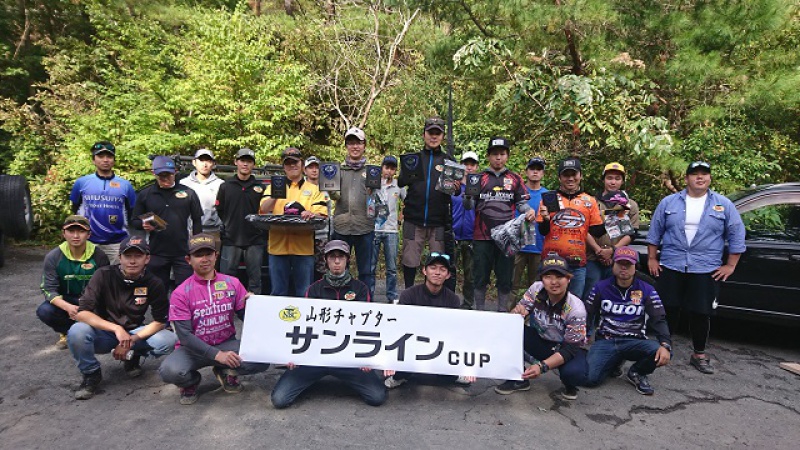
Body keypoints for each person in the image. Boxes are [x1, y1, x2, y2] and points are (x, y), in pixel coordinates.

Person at [646, 161, 746, 374]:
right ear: (686, 179)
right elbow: (655, 232)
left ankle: (698, 355)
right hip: (672, 264)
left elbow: (737, 235)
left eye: (704, 174)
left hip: (705, 268)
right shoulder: (669, 202)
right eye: (695, 174)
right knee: (667, 308)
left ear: (709, 178)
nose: (699, 178)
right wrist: (652, 259)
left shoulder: (723, 204)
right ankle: (664, 347)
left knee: (701, 313)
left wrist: (730, 265)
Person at [270, 240, 387, 408]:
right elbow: (303, 325)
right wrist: (294, 354)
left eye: (341, 257)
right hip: (315, 356)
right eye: (332, 257)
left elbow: (366, 326)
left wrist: (366, 358)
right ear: (326, 260)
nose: (337, 261)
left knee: (377, 397)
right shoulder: (314, 289)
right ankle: (312, 378)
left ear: (348, 260)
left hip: (348, 357)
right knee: (279, 400)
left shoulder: (360, 288)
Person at [158, 234, 269, 405]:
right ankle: (191, 381)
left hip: (226, 343)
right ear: (188, 259)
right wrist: (217, 355)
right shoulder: (181, 293)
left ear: (216, 256)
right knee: (169, 371)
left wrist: (253, 306)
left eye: (208, 254)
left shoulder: (232, 283)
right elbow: (185, 336)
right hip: (192, 349)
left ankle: (226, 371)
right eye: (198, 255)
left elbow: (247, 318)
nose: (204, 259)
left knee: (262, 358)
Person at [67, 236, 177, 400]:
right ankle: (91, 373)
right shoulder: (103, 275)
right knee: (77, 331)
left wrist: (132, 340)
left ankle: (133, 354)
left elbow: (160, 321)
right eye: (128, 256)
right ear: (120, 258)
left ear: (147, 259)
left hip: (134, 332)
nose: (132, 261)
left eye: (138, 256)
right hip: (105, 332)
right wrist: (116, 329)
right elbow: (82, 312)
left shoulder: (154, 283)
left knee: (169, 340)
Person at [494, 253, 588, 400]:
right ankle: (519, 379)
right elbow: (512, 320)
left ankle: (570, 384)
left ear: (568, 279)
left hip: (565, 348)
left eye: (559, 277)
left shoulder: (576, 308)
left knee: (575, 374)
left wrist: (542, 366)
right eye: (548, 276)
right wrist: (516, 313)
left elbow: (571, 348)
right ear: (542, 278)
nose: (554, 282)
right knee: (506, 332)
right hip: (541, 340)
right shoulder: (536, 289)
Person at [584, 246, 672, 395]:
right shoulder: (600, 287)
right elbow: (587, 313)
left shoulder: (647, 289)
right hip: (606, 340)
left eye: (628, 265)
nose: (623, 268)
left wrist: (665, 344)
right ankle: (613, 363)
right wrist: (581, 336)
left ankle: (637, 372)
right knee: (590, 379)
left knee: (662, 351)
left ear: (635, 267)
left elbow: (659, 319)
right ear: (613, 265)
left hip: (635, 341)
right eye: (620, 264)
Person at [384, 252, 474, 388]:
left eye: (443, 270)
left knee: (448, 375)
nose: (437, 272)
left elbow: (456, 331)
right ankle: (400, 375)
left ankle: (452, 374)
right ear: (424, 271)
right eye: (433, 268)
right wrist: (391, 360)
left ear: (448, 275)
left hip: (439, 344)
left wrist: (466, 365)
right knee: (403, 364)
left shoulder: (453, 299)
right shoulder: (409, 295)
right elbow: (399, 326)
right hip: (413, 342)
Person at [470, 137, 533, 312]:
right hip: (482, 237)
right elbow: (469, 205)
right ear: (488, 156)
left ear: (507, 156)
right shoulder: (478, 178)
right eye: (495, 154)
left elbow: (521, 203)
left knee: (505, 279)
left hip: (507, 237)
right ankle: (479, 312)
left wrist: (528, 211)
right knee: (480, 277)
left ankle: (502, 314)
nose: (498, 158)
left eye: (502, 154)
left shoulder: (515, 178)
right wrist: (467, 197)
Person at [259, 147, 328, 297]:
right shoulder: (273, 186)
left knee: (304, 293)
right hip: (277, 248)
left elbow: (322, 214)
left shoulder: (314, 189)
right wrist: (275, 195)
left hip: (303, 249)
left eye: (295, 162)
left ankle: (302, 320)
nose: (292, 166)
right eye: (288, 163)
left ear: (302, 165)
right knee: (278, 292)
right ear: (284, 167)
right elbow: (263, 209)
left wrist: (312, 213)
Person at [399, 117, 457, 289]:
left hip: (438, 221)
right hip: (413, 218)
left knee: (437, 263)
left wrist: (457, 186)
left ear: (442, 136)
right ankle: (409, 293)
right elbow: (401, 182)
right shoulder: (414, 159)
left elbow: (457, 190)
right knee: (410, 259)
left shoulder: (449, 160)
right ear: (424, 134)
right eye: (430, 133)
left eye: (437, 133)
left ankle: (434, 296)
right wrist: (407, 174)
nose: (433, 137)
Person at [37, 215, 110, 349]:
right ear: (63, 233)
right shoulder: (53, 257)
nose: (76, 236)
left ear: (89, 234)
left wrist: (88, 307)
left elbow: (106, 287)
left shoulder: (99, 256)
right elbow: (48, 289)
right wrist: (68, 307)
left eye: (81, 231)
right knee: (44, 310)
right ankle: (68, 332)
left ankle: (91, 331)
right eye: (71, 231)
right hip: (67, 300)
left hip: (93, 300)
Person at [130, 156, 203, 290]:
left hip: (183, 251)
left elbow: (197, 220)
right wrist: (142, 224)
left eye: (169, 175)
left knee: (186, 289)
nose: (165, 179)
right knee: (158, 289)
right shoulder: (146, 194)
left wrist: (196, 246)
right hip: (157, 251)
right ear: (154, 174)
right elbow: (134, 221)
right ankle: (160, 311)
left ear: (175, 172)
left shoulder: (188, 193)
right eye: (161, 176)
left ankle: (182, 311)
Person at [536, 157, 605, 298]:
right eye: (566, 175)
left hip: (577, 262)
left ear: (580, 175)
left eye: (574, 174)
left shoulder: (589, 200)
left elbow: (597, 232)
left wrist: (614, 217)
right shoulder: (549, 198)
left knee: (573, 304)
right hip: (551, 260)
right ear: (559, 177)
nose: (570, 178)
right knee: (545, 301)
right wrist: (545, 219)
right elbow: (543, 231)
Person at [70, 141, 137, 264]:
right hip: (88, 242)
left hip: (117, 243)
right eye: (101, 156)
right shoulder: (81, 183)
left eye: (109, 156)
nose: (105, 160)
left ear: (114, 160)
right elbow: (75, 210)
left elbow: (132, 213)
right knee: (86, 279)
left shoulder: (126, 185)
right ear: (93, 160)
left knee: (116, 280)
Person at [582, 162, 640, 302]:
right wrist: (598, 251)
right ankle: (588, 323)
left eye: (617, 178)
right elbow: (583, 229)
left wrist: (613, 250)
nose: (613, 182)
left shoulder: (629, 204)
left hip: (618, 258)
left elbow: (631, 233)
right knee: (591, 294)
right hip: (592, 257)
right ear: (603, 180)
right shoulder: (591, 202)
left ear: (622, 181)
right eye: (609, 178)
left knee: (613, 294)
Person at [330, 127, 376, 294]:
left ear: (364, 145)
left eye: (358, 143)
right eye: (351, 143)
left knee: (366, 271)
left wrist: (374, 194)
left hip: (365, 227)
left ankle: (367, 301)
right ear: (346, 146)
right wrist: (329, 189)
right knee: (340, 269)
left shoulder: (372, 171)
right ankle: (341, 300)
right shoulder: (337, 170)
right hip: (342, 227)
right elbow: (335, 197)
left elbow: (378, 200)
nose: (354, 146)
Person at [216, 148, 267, 294]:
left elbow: (265, 211)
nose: (245, 164)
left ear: (253, 165)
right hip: (231, 239)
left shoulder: (260, 187)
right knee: (226, 280)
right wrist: (229, 225)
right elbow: (220, 210)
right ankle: (226, 310)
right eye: (242, 161)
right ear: (236, 162)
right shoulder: (226, 186)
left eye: (249, 161)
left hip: (255, 239)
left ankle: (254, 312)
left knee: (255, 280)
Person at [512, 157, 548, 299]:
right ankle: (508, 317)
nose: (535, 172)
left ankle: (532, 319)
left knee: (536, 288)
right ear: (526, 171)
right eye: (532, 168)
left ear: (543, 173)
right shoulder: (517, 192)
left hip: (539, 246)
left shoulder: (548, 195)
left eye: (538, 169)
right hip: (518, 246)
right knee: (511, 286)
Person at [371, 155, 406, 303]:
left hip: (391, 230)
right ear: (381, 167)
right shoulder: (373, 183)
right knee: (371, 266)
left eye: (392, 168)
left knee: (391, 267)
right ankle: (369, 294)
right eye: (387, 167)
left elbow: (408, 201)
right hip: (374, 229)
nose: (389, 171)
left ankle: (392, 295)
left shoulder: (399, 185)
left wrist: (401, 217)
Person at [179, 149, 224, 246]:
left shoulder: (221, 184)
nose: (205, 164)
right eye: (201, 160)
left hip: (213, 232)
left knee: (211, 261)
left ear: (213, 164)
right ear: (194, 162)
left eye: (208, 161)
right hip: (188, 232)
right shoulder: (183, 184)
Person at [451, 151, 478, 309]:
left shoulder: (480, 187)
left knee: (470, 275)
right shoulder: (452, 184)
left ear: (476, 167)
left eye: (472, 164)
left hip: (471, 235)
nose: (468, 167)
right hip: (453, 234)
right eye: (466, 164)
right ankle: (450, 301)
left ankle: (468, 304)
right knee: (449, 272)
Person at [303, 155, 332, 281]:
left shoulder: (327, 188)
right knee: (306, 271)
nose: (314, 170)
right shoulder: (300, 188)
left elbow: (330, 213)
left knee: (322, 270)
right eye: (310, 167)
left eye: (317, 167)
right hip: (303, 236)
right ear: (305, 170)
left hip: (323, 236)